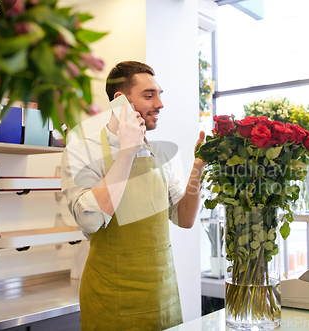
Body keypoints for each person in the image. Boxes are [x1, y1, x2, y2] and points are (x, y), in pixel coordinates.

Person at [61, 61, 206, 331]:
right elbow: (90, 220)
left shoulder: (160, 154)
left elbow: (185, 218)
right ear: (120, 102)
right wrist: (127, 150)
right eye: (149, 95)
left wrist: (199, 165)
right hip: (111, 303)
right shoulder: (83, 149)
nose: (160, 104)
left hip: (163, 299)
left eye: (160, 94)